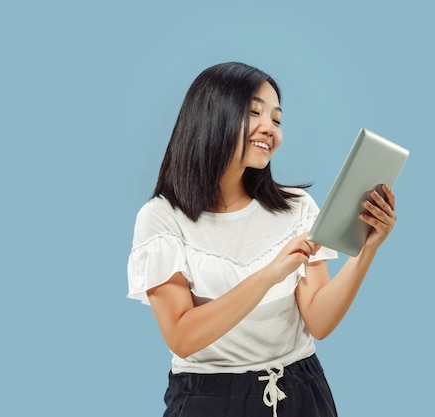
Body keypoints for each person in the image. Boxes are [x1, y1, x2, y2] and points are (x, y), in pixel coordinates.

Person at [127, 62, 397, 417]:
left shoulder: (296, 208)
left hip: (300, 390)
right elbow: (182, 336)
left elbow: (319, 320)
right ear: (212, 114)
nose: (270, 128)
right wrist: (270, 273)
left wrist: (367, 250)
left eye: (277, 119)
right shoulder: (162, 218)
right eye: (255, 112)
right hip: (207, 399)